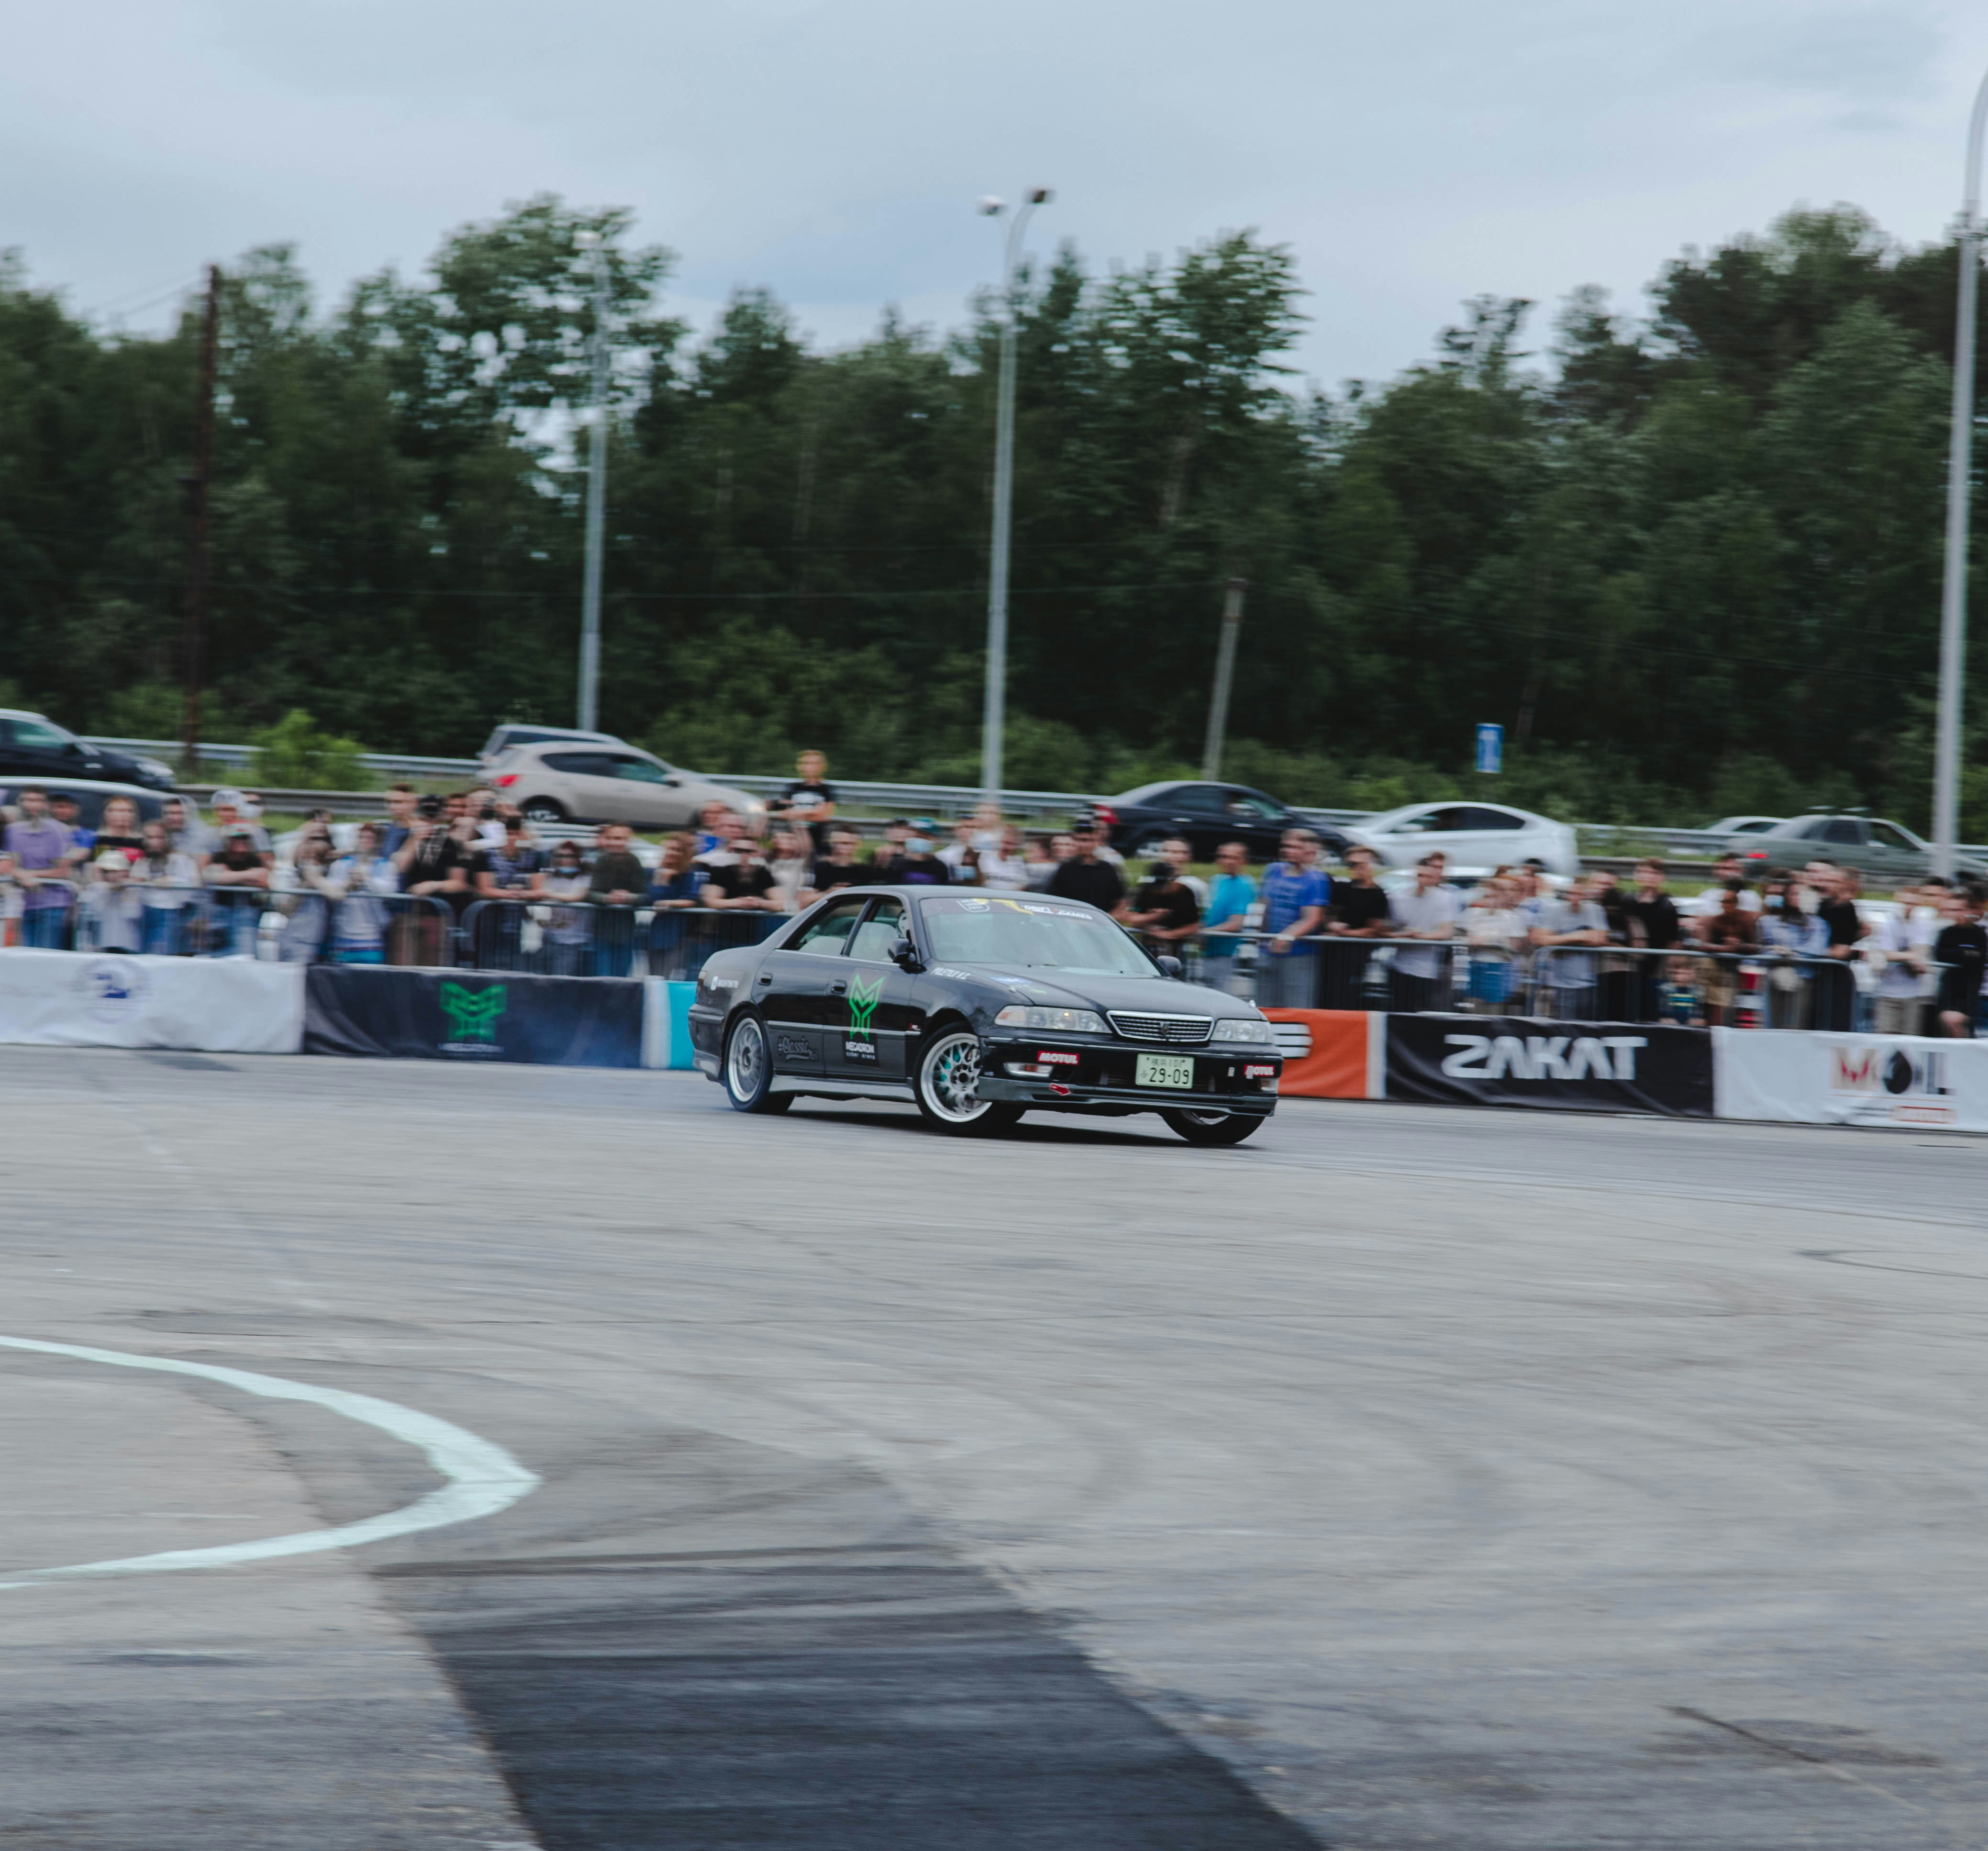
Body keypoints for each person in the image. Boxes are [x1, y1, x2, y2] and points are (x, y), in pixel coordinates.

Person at [1256, 830, 1330, 1008]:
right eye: (1287, 846)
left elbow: (1313, 918)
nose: (1289, 851)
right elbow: (1264, 904)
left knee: (1295, 1007)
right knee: (1265, 1006)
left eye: (1296, 847)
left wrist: (1286, 936)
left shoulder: (1316, 879)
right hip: (1267, 950)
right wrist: (1257, 936)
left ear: (1308, 850)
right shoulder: (1273, 871)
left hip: (1299, 954)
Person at [3, 787, 82, 948]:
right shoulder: (12, 831)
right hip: (23, 904)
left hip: (53, 904)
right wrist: (21, 875)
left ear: (46, 805)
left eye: (38, 800)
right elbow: (7, 865)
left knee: (47, 952)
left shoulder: (59, 830)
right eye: (28, 800)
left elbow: (63, 870)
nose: (33, 805)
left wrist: (30, 875)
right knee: (23, 953)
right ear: (21, 803)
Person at [1390, 853, 1466, 1012]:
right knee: (1399, 1011)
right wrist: (1403, 936)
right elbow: (1386, 930)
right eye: (1420, 875)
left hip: (1428, 970)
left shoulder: (1447, 897)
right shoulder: (1398, 897)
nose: (1423, 880)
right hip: (1400, 966)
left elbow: (1446, 933)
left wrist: (1417, 936)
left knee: (1423, 1012)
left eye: (1428, 875)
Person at [1322, 843, 1390, 1009]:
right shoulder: (1342, 889)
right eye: (1351, 864)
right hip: (1332, 953)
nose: (1355, 868)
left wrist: (1345, 933)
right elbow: (1329, 915)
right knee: (1326, 994)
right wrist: (1332, 924)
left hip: (1356, 955)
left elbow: (1373, 930)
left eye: (1360, 864)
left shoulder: (1378, 895)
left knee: (1347, 996)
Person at [1619, 859, 1682, 1021]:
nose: (1649, 877)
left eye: (1654, 873)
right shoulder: (1627, 901)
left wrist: (1668, 969)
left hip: (1656, 970)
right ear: (1636, 875)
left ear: (1661, 877)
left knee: (1650, 1014)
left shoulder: (1667, 906)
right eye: (1644, 872)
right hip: (1628, 968)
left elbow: (1673, 941)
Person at [1870, 882, 1935, 1037]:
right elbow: (1887, 954)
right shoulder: (1888, 923)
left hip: (1913, 993)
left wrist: (1907, 957)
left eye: (1913, 903)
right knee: (1885, 1038)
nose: (1909, 907)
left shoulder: (1924, 925)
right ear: (1898, 901)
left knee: (1910, 1041)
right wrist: (1911, 956)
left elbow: (1920, 954)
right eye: (1906, 903)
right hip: (1887, 991)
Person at [1809, 859, 1867, 1031]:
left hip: (1838, 976)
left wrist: (1814, 951)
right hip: (1819, 974)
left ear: (1846, 885)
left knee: (1836, 1022)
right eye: (1828, 881)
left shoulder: (1848, 909)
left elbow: (1841, 950)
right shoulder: (1823, 905)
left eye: (1835, 882)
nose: (1829, 885)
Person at [587, 822, 649, 976]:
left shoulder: (634, 861)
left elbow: (645, 895)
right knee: (603, 976)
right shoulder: (600, 860)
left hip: (626, 931)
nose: (617, 843)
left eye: (621, 839)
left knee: (622, 977)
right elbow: (591, 893)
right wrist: (608, 898)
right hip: (602, 930)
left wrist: (628, 898)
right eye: (613, 838)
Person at [1692, 880, 1759, 1026]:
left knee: (1726, 1008)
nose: (1726, 905)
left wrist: (1739, 946)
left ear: (1736, 903)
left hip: (1731, 971)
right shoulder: (1714, 921)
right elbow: (1704, 945)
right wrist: (1723, 949)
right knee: (1711, 1007)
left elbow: (1755, 946)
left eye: (1730, 902)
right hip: (1714, 971)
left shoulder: (1746, 920)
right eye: (1724, 902)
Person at [203, 823, 273, 956]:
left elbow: (264, 879)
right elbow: (213, 878)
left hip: (246, 912)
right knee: (216, 954)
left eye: (244, 839)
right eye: (236, 839)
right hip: (219, 911)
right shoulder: (219, 857)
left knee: (246, 954)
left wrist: (231, 876)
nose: (240, 842)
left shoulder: (254, 860)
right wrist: (248, 876)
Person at [132, 820, 200, 955]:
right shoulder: (142, 861)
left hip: (171, 913)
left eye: (159, 837)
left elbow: (194, 885)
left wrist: (170, 881)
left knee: (162, 955)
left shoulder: (181, 859)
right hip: (144, 912)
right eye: (150, 838)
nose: (154, 842)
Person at [1200, 842, 1259, 997]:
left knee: (1219, 995)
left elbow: (1236, 924)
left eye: (1234, 858)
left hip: (1226, 953)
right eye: (1224, 857)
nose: (1228, 861)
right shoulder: (1217, 880)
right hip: (1208, 950)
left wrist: (1202, 932)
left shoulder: (1245, 885)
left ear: (1244, 861)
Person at [647, 831, 708, 978]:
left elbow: (691, 899)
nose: (671, 853)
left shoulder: (691, 874)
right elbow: (652, 898)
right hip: (658, 930)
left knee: (670, 975)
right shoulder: (657, 872)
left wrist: (669, 903)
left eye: (676, 849)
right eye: (669, 849)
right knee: (654, 977)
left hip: (679, 932)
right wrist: (664, 880)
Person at [1462, 876, 1524, 1012]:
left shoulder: (1513, 918)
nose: (1494, 898)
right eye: (1489, 894)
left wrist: (1488, 940)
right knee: (1471, 1010)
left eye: (1499, 892)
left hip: (1498, 969)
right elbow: (1464, 937)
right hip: (1475, 967)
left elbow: (1514, 947)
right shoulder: (1472, 913)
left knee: (1493, 1013)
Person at [1933, 884, 1988, 1038]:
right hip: (1949, 989)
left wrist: (1960, 954)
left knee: (1960, 1027)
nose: (1956, 915)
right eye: (1952, 911)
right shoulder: (1946, 933)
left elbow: (1978, 958)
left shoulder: (1979, 934)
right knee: (1946, 1025)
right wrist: (1965, 954)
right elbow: (1940, 955)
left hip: (1969, 992)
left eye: (1959, 910)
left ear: (1969, 911)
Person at [1118, 854, 1201, 952]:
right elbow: (1131, 918)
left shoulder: (1184, 892)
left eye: (1164, 887)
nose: (1159, 891)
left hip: (1175, 947)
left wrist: (1167, 935)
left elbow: (1193, 927)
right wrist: (1154, 917)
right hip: (1149, 946)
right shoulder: (1145, 890)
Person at [1044, 823, 1127, 912]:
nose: (1084, 845)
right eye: (1079, 840)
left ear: (1097, 842)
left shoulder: (1108, 869)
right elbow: (1053, 900)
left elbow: (1120, 901)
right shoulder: (1065, 869)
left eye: (1088, 840)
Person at [542, 841, 594, 975]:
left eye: (570, 856)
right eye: (561, 856)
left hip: (575, 940)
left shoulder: (585, 877)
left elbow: (577, 896)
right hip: (551, 937)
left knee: (565, 981)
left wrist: (548, 894)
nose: (565, 860)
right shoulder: (551, 876)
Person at [770, 749, 838, 851]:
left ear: (822, 767)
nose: (810, 767)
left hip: (817, 839)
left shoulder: (826, 790)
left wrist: (797, 813)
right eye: (806, 763)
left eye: (814, 764)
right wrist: (813, 812)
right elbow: (785, 813)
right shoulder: (793, 788)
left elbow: (824, 815)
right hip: (793, 840)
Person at [78, 852, 145, 952]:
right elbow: (95, 910)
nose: (113, 875)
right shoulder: (97, 888)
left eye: (116, 871)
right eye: (108, 872)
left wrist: (125, 890)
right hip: (103, 944)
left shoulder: (132, 889)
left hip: (127, 944)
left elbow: (132, 914)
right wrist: (104, 886)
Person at [803, 828, 869, 904]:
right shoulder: (821, 868)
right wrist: (829, 893)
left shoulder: (864, 870)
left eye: (847, 843)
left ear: (857, 845)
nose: (841, 847)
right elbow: (805, 901)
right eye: (837, 843)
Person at [766, 827, 815, 910]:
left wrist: (796, 822)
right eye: (783, 838)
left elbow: (806, 848)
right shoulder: (768, 862)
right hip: (775, 908)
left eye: (791, 839)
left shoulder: (800, 862)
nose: (787, 841)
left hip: (796, 907)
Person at [1695, 854, 1762, 914]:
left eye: (1735, 869)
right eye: (1725, 868)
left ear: (1742, 871)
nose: (1730, 873)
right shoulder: (1707, 896)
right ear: (1716, 871)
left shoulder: (1752, 897)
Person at [976, 825, 1032, 892]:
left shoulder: (1021, 864)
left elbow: (1023, 888)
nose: (1006, 847)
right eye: (1004, 843)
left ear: (1017, 846)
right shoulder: (984, 859)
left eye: (1011, 844)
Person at [92, 796, 146, 864]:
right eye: (117, 811)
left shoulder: (143, 842)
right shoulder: (96, 840)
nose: (124, 815)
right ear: (106, 814)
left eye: (129, 811)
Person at [378, 784, 419, 861]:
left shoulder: (420, 832)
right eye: (389, 802)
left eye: (398, 802)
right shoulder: (389, 829)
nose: (392, 807)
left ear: (413, 803)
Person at [48, 793, 94, 859]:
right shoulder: (43, 831)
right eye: (58, 807)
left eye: (67, 807)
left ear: (77, 810)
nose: (61, 811)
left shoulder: (88, 835)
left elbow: (78, 856)